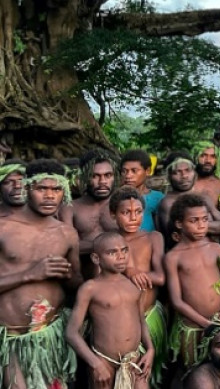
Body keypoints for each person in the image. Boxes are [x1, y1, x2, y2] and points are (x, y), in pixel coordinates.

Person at [0, 159, 81, 389]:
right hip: (12, 339)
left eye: (56, 189)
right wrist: (30, 273)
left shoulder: (67, 233)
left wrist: (68, 276)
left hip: (52, 335)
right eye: (41, 189)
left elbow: (76, 284)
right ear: (26, 188)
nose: (49, 196)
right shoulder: (3, 229)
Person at [66, 232, 155, 389]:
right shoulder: (90, 288)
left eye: (124, 250)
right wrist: (95, 363)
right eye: (112, 252)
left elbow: (141, 321)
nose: (121, 256)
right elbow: (71, 333)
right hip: (104, 361)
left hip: (133, 359)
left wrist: (150, 349)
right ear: (96, 258)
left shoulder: (133, 285)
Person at [164, 194, 220, 372]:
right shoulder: (173, 257)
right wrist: (205, 323)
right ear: (179, 224)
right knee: (193, 372)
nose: (201, 225)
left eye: (204, 219)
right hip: (193, 328)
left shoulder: (216, 248)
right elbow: (176, 301)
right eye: (194, 221)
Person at [111, 186, 167, 386]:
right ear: (113, 215)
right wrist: (129, 270)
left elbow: (160, 277)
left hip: (149, 315)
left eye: (138, 212)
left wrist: (134, 273)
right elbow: (103, 282)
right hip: (121, 321)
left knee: (149, 376)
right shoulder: (108, 242)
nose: (133, 218)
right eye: (126, 213)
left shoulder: (153, 238)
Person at [60, 149, 118, 279]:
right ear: (84, 177)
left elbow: (134, 240)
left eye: (108, 175)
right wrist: (109, 245)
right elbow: (68, 247)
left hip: (121, 279)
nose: (102, 181)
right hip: (83, 278)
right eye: (95, 175)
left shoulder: (123, 205)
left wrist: (89, 245)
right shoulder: (69, 208)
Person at [119, 150, 163, 233]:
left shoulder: (157, 198)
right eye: (124, 171)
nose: (128, 176)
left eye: (134, 171)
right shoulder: (116, 198)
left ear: (148, 171)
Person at [192, 141, 220, 211]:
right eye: (203, 155)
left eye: (213, 156)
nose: (208, 160)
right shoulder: (186, 181)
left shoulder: (219, 183)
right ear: (195, 157)